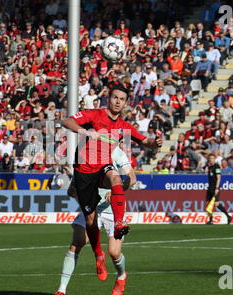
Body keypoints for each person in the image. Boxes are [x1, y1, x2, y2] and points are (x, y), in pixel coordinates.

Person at [62, 85, 161, 251]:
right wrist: (85, 132)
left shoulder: (124, 126)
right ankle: (98, 255)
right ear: (109, 98)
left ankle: (119, 222)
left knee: (116, 177)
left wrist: (155, 142)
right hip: (86, 171)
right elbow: (67, 121)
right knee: (90, 223)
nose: (117, 101)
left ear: (125, 104)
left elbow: (146, 143)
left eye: (122, 99)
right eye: (115, 97)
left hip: (103, 168)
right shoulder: (94, 114)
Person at [52, 143, 137, 295]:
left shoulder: (117, 153)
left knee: (114, 252)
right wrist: (73, 188)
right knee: (76, 243)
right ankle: (61, 291)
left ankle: (121, 275)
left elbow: (132, 179)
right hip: (92, 208)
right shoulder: (86, 152)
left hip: (112, 211)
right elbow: (78, 178)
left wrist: (116, 190)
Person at [205, 153, 232, 225]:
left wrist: (217, 188)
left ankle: (228, 216)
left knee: (216, 204)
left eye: (212, 158)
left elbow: (219, 178)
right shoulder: (209, 167)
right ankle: (210, 220)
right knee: (208, 204)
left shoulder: (216, 167)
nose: (211, 160)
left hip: (214, 188)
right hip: (209, 187)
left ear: (214, 159)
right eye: (210, 159)